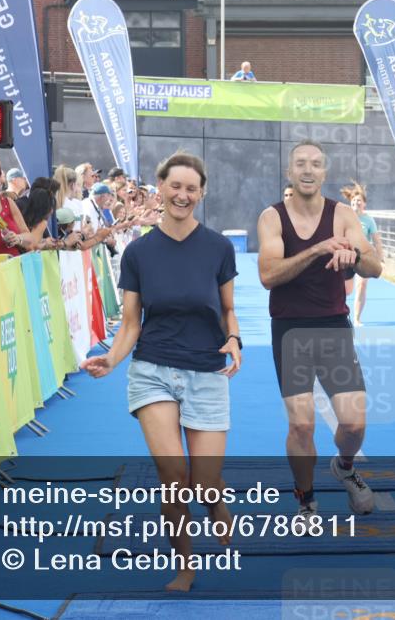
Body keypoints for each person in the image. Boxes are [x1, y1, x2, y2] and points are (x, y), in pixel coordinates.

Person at [81, 151, 241, 593]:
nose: (183, 195)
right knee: (173, 476)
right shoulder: (139, 252)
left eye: (192, 188)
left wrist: (235, 339)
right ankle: (185, 566)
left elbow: (229, 310)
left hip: (207, 371)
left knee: (204, 483)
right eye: (175, 186)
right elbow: (131, 322)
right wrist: (112, 360)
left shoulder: (218, 248)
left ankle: (217, 503)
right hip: (152, 369)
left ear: (202, 193)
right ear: (161, 188)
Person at [256, 140, 383, 522]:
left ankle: (344, 466)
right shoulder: (272, 217)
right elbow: (268, 275)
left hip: (332, 326)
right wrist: (317, 250)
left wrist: (354, 256)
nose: (308, 170)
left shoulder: (343, 214)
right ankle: (306, 497)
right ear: (289, 173)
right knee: (301, 424)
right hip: (290, 328)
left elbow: (375, 267)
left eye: (315, 164)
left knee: (354, 423)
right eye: (300, 164)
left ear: (324, 173)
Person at [340, 182, 384, 326]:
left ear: (364, 204)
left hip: (363, 257)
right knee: (345, 290)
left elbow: (377, 240)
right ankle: (340, 312)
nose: (356, 203)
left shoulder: (369, 220)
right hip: (347, 256)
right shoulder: (345, 217)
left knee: (362, 285)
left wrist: (380, 257)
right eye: (353, 200)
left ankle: (357, 318)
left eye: (359, 200)